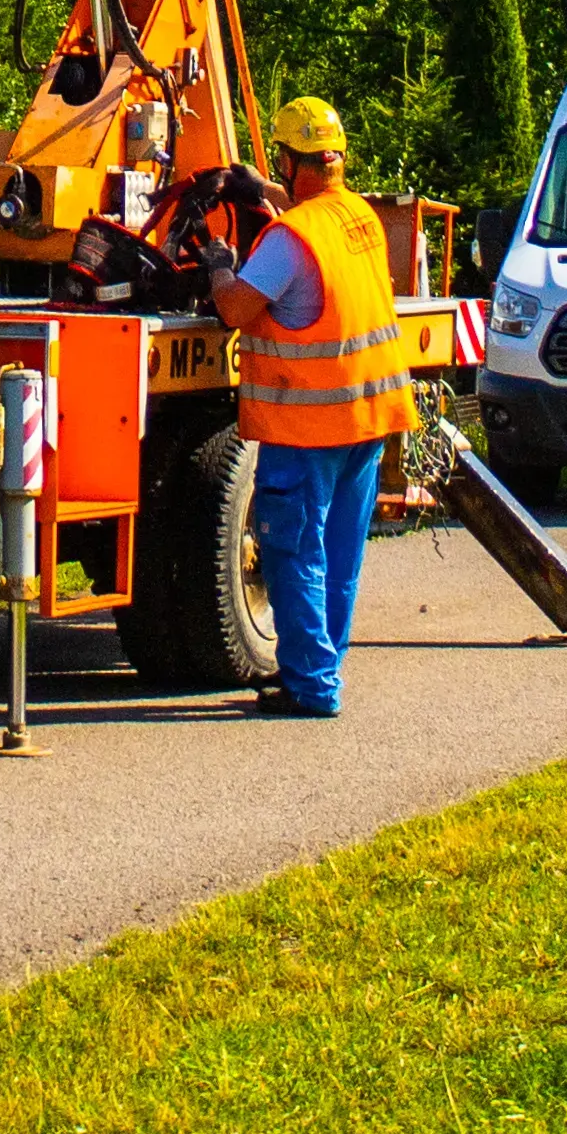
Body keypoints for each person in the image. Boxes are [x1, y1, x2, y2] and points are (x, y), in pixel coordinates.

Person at [207, 93, 418, 720]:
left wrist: (219, 265)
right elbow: (310, 216)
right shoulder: (358, 217)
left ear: (292, 161)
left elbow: (235, 310)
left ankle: (312, 687)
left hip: (308, 423)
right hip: (367, 419)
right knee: (339, 552)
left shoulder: (286, 239)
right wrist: (261, 187)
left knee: (293, 549)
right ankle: (321, 668)